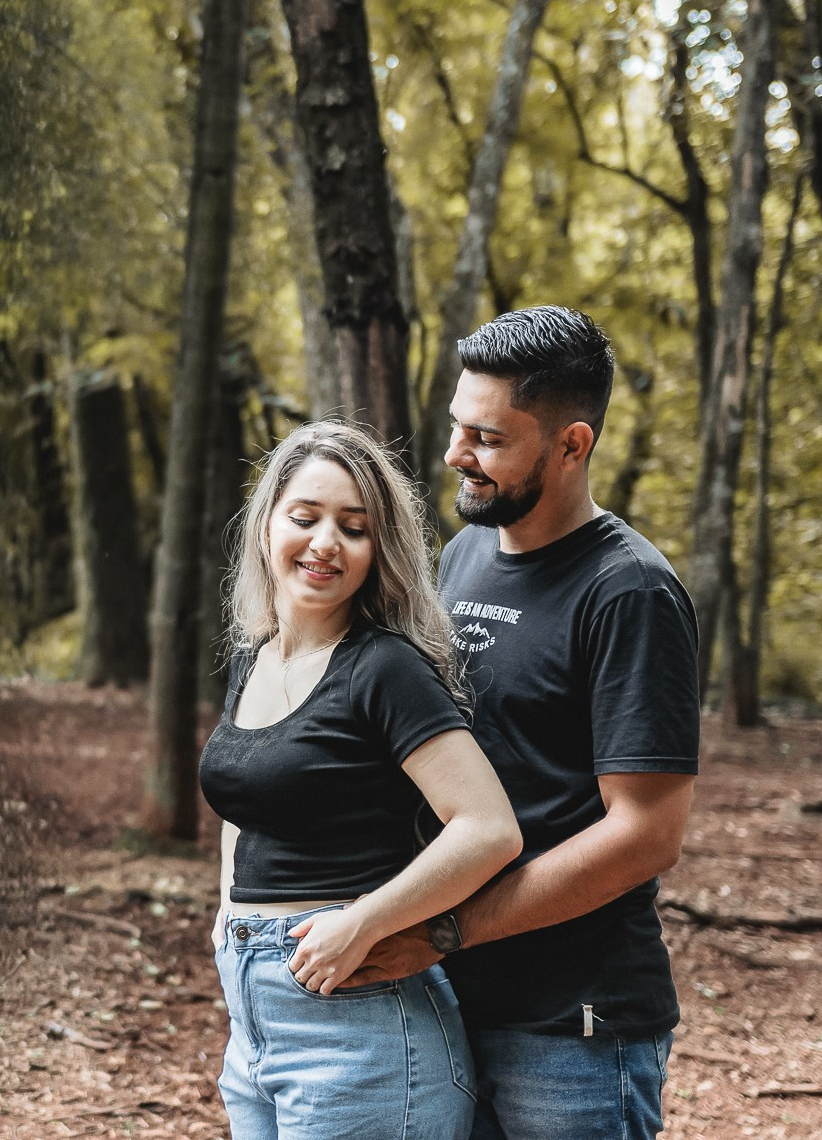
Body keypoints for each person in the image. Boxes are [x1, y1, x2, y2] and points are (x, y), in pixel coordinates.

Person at [343, 306, 699, 1139]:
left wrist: (447, 928)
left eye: (489, 438)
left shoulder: (630, 592)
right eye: (458, 427)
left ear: (572, 444)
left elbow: (646, 834)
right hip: (446, 1004)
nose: (456, 455)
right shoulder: (464, 554)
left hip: (570, 1028)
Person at [198, 419, 522, 1139]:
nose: (324, 543)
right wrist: (230, 913)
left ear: (377, 552)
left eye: (353, 527)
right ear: (266, 525)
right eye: (305, 517)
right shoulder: (258, 657)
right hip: (253, 1023)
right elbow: (244, 798)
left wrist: (364, 921)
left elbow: (489, 828)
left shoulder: (384, 668)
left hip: (360, 1032)